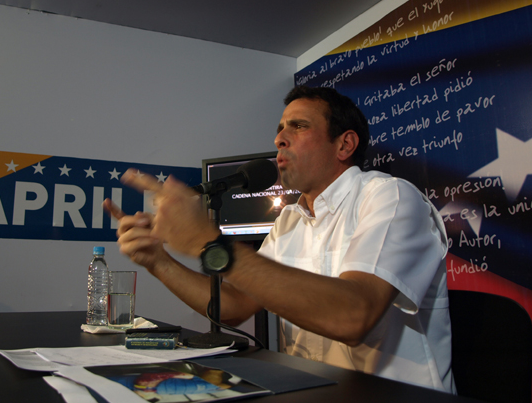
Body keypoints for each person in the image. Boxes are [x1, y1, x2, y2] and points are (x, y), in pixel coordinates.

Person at [106, 85, 455, 393]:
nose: (279, 139)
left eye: (298, 126)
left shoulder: (390, 197)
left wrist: (209, 243)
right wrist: (158, 261)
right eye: (279, 129)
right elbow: (234, 307)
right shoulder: (288, 220)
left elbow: (353, 316)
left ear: (344, 144)